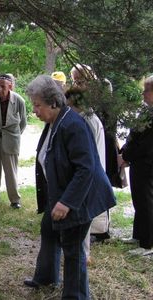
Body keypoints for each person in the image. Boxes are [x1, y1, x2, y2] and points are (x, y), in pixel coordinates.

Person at [24, 75, 116, 299]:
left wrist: (66, 202)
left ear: (53, 102)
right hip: (60, 193)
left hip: (80, 197)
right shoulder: (55, 121)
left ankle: (76, 295)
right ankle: (46, 276)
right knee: (49, 229)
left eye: (37, 105)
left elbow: (86, 169)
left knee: (73, 248)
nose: (34, 110)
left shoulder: (73, 125)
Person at [71, 64, 117, 242]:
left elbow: (107, 123)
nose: (76, 84)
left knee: (101, 185)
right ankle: (95, 229)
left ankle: (101, 229)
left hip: (102, 145)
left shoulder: (98, 99)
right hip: (94, 144)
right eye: (74, 80)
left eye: (79, 80)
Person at [66, 87, 108, 264]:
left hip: (89, 175)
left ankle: (83, 255)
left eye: (69, 104)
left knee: (83, 217)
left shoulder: (87, 120)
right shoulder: (87, 117)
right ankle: (81, 254)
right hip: (90, 173)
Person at [118, 75, 153, 256]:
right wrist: (123, 152)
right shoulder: (147, 110)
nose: (143, 93)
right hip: (138, 163)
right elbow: (133, 135)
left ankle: (148, 244)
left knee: (146, 201)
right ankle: (138, 235)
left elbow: (146, 145)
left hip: (147, 165)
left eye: (146, 90)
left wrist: (126, 156)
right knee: (138, 199)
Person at [0, 74, 27, 209]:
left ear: (10, 87)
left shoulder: (19, 100)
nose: (0, 89)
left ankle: (14, 200)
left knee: (11, 171)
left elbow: (23, 123)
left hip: (10, 140)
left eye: (3, 86)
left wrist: (13, 135)